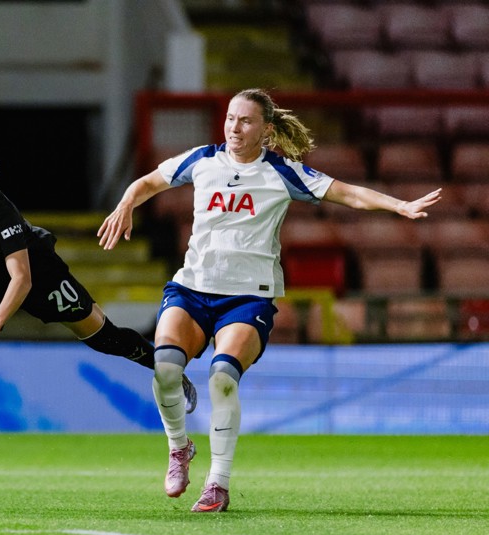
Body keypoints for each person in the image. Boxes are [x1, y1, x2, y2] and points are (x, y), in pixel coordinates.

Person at [97, 88, 441, 513]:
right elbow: (151, 180)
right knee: (166, 368)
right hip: (191, 289)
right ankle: (179, 448)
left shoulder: (281, 173)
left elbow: (345, 192)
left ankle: (217, 485)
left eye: (245, 121)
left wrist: (399, 205)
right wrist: (127, 202)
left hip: (247, 298)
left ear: (266, 129)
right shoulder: (202, 160)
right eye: (229, 118)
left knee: (223, 376)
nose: (234, 127)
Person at [0, 128, 197, 469]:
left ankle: (169, 372)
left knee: (105, 338)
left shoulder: (0, 212)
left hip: (41, 277)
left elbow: (22, 278)